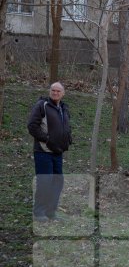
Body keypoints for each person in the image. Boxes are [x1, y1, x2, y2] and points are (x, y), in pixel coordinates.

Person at [27, 82, 72, 222]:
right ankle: (39, 212)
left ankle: (51, 212)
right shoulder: (42, 105)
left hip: (57, 152)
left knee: (58, 182)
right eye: (53, 90)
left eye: (58, 91)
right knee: (45, 181)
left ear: (63, 93)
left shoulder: (63, 108)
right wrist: (47, 139)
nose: (55, 93)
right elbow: (32, 126)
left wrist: (68, 138)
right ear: (49, 91)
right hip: (43, 151)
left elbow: (65, 126)